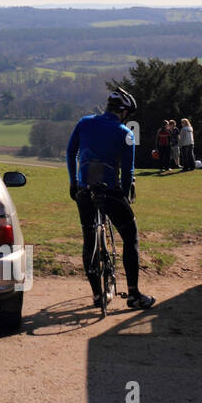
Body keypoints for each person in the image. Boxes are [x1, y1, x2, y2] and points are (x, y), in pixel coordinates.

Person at [66, 88, 156, 310]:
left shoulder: (84, 123)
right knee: (130, 236)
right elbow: (127, 172)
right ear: (124, 112)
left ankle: (97, 295)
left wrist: (73, 182)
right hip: (110, 191)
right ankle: (134, 295)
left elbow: (70, 153)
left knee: (89, 238)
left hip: (84, 189)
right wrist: (124, 195)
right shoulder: (125, 133)